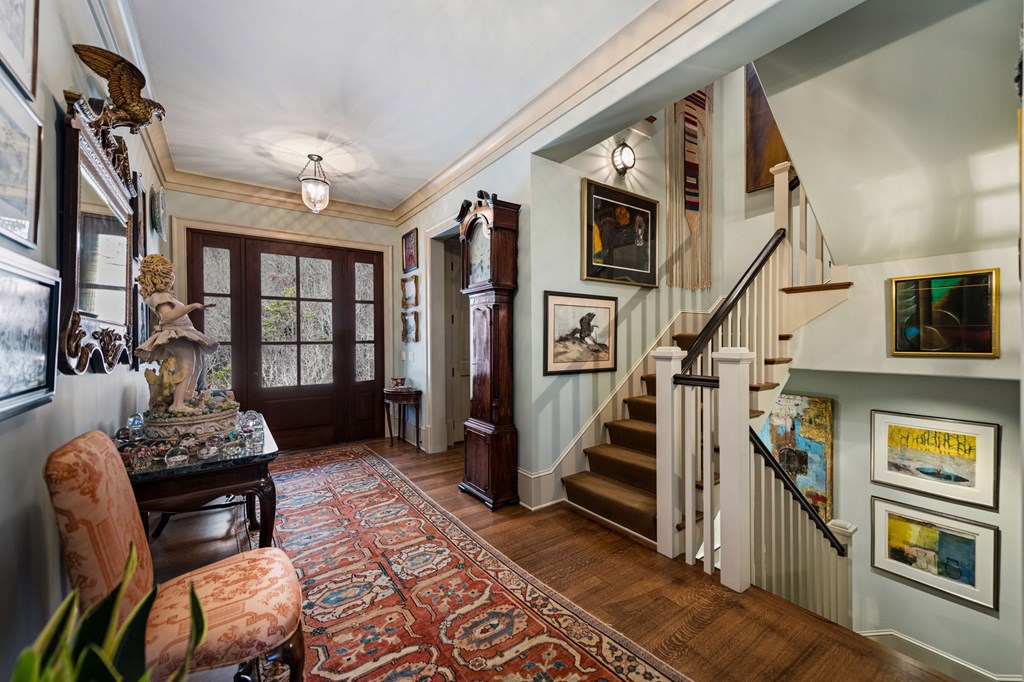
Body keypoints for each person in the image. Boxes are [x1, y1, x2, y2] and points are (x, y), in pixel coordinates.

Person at [135, 254, 218, 413]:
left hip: (184, 332)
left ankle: (187, 398)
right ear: (161, 275)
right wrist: (192, 306)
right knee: (186, 366)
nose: (173, 275)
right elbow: (167, 316)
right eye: (170, 272)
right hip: (175, 334)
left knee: (197, 364)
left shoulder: (164, 295)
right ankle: (177, 404)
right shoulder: (159, 296)